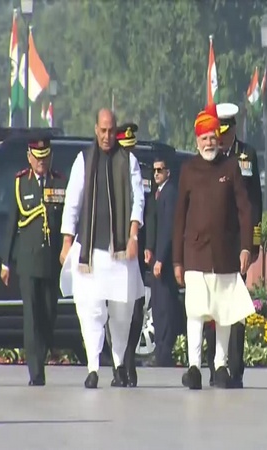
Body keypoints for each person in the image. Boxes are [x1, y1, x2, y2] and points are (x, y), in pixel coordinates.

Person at [59, 108, 146, 389]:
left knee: (122, 312)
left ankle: (119, 364)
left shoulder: (128, 160)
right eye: (103, 130)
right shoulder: (83, 160)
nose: (107, 136)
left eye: (111, 131)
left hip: (120, 251)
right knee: (90, 310)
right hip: (90, 253)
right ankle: (93, 367)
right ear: (96, 129)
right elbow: (73, 202)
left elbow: (137, 201)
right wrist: (66, 241)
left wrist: (133, 235)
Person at [173, 103, 255, 390]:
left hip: (225, 255)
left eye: (213, 137)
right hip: (194, 254)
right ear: (197, 140)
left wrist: (246, 247)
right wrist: (177, 261)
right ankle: (194, 366)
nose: (210, 142)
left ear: (219, 139)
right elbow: (179, 216)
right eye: (204, 138)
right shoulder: (188, 170)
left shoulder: (231, 167)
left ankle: (220, 364)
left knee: (223, 313)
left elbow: (245, 210)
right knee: (196, 311)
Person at [201, 102, 263, 388]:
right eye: (217, 133)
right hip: (213, 243)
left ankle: (234, 367)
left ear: (234, 129)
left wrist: (252, 243)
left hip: (238, 243)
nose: (221, 138)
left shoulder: (247, 155)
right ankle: (215, 365)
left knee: (235, 306)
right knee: (213, 306)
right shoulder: (208, 156)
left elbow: (255, 202)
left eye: (225, 132)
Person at [0, 130, 67, 386]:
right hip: (27, 260)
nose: (41, 162)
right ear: (29, 157)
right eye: (37, 157)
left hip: (51, 260)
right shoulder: (21, 183)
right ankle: (36, 372)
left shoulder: (59, 181)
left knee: (49, 313)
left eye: (45, 157)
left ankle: (44, 348)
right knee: (31, 316)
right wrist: (5, 261)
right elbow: (11, 225)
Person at [104, 122, 156, 387]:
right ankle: (118, 366)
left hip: (135, 251)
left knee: (135, 312)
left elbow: (149, 211)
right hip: (112, 250)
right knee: (115, 309)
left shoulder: (139, 169)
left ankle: (128, 360)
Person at [147, 156, 182, 366]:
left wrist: (160, 258)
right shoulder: (157, 193)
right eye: (154, 170)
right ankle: (160, 349)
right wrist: (148, 250)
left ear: (168, 172)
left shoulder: (171, 193)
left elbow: (169, 229)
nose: (157, 173)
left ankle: (164, 351)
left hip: (166, 261)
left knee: (166, 306)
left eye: (160, 169)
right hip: (156, 258)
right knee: (158, 306)